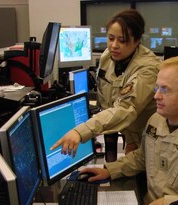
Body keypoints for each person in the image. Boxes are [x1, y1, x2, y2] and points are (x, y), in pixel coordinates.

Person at [81, 56, 178, 205]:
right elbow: (142, 157)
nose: (156, 96)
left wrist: (167, 203)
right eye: (156, 88)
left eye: (165, 89)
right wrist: (109, 170)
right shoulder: (156, 120)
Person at [51, 9, 159, 156]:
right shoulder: (108, 57)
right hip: (120, 132)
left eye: (122, 40)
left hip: (145, 138)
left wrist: (82, 131)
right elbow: (106, 97)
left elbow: (126, 109)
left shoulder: (148, 68)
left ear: (137, 41)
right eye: (110, 38)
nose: (114, 45)